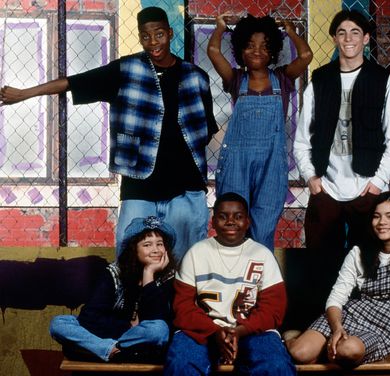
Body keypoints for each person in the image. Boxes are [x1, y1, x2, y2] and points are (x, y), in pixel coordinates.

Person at [0, 6, 218, 265]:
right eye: (145, 36)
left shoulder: (196, 77)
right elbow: (72, 82)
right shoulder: (125, 71)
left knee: (187, 263)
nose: (153, 42)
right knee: (130, 262)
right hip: (140, 185)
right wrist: (24, 94)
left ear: (169, 33)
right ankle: (129, 306)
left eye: (159, 34)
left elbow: (204, 132)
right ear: (139, 37)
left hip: (186, 188)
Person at [293, 9, 390, 314]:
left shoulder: (380, 80)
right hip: (326, 188)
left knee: (369, 260)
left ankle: (364, 319)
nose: (348, 38)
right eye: (341, 32)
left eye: (355, 32)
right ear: (333, 38)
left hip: (365, 187)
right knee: (320, 262)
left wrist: (378, 183)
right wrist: (310, 178)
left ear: (366, 38)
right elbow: (302, 137)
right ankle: (318, 323)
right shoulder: (321, 80)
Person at [285, 192, 390, 367]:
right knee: (300, 353)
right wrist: (337, 329)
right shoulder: (358, 253)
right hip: (346, 317)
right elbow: (336, 298)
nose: (382, 222)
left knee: (347, 351)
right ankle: (292, 338)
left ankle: (327, 350)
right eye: (377, 216)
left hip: (378, 330)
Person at [207, 13, 313, 251]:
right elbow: (213, 51)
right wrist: (220, 28)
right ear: (240, 50)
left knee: (263, 229)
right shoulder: (236, 80)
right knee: (232, 226)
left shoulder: (282, 79)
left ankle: (261, 283)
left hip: (271, 164)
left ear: (273, 52)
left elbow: (306, 55)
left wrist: (291, 30)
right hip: (237, 163)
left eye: (265, 47)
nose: (257, 51)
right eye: (250, 46)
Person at [164, 192, 295, 375]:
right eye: (223, 217)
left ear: (248, 222)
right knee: (181, 362)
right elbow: (182, 308)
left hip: (251, 330)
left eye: (238, 217)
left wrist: (240, 331)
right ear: (213, 221)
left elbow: (273, 310)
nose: (231, 222)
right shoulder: (196, 253)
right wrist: (215, 331)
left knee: (275, 365)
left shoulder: (262, 255)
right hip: (203, 329)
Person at [49, 216, 176, 362]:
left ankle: (100, 349)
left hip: (140, 337)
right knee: (59, 323)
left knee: (159, 330)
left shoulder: (168, 277)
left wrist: (149, 274)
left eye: (160, 244)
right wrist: (128, 326)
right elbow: (88, 318)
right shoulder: (114, 273)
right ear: (134, 249)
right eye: (147, 245)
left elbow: (159, 323)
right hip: (109, 334)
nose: (156, 250)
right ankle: (112, 350)